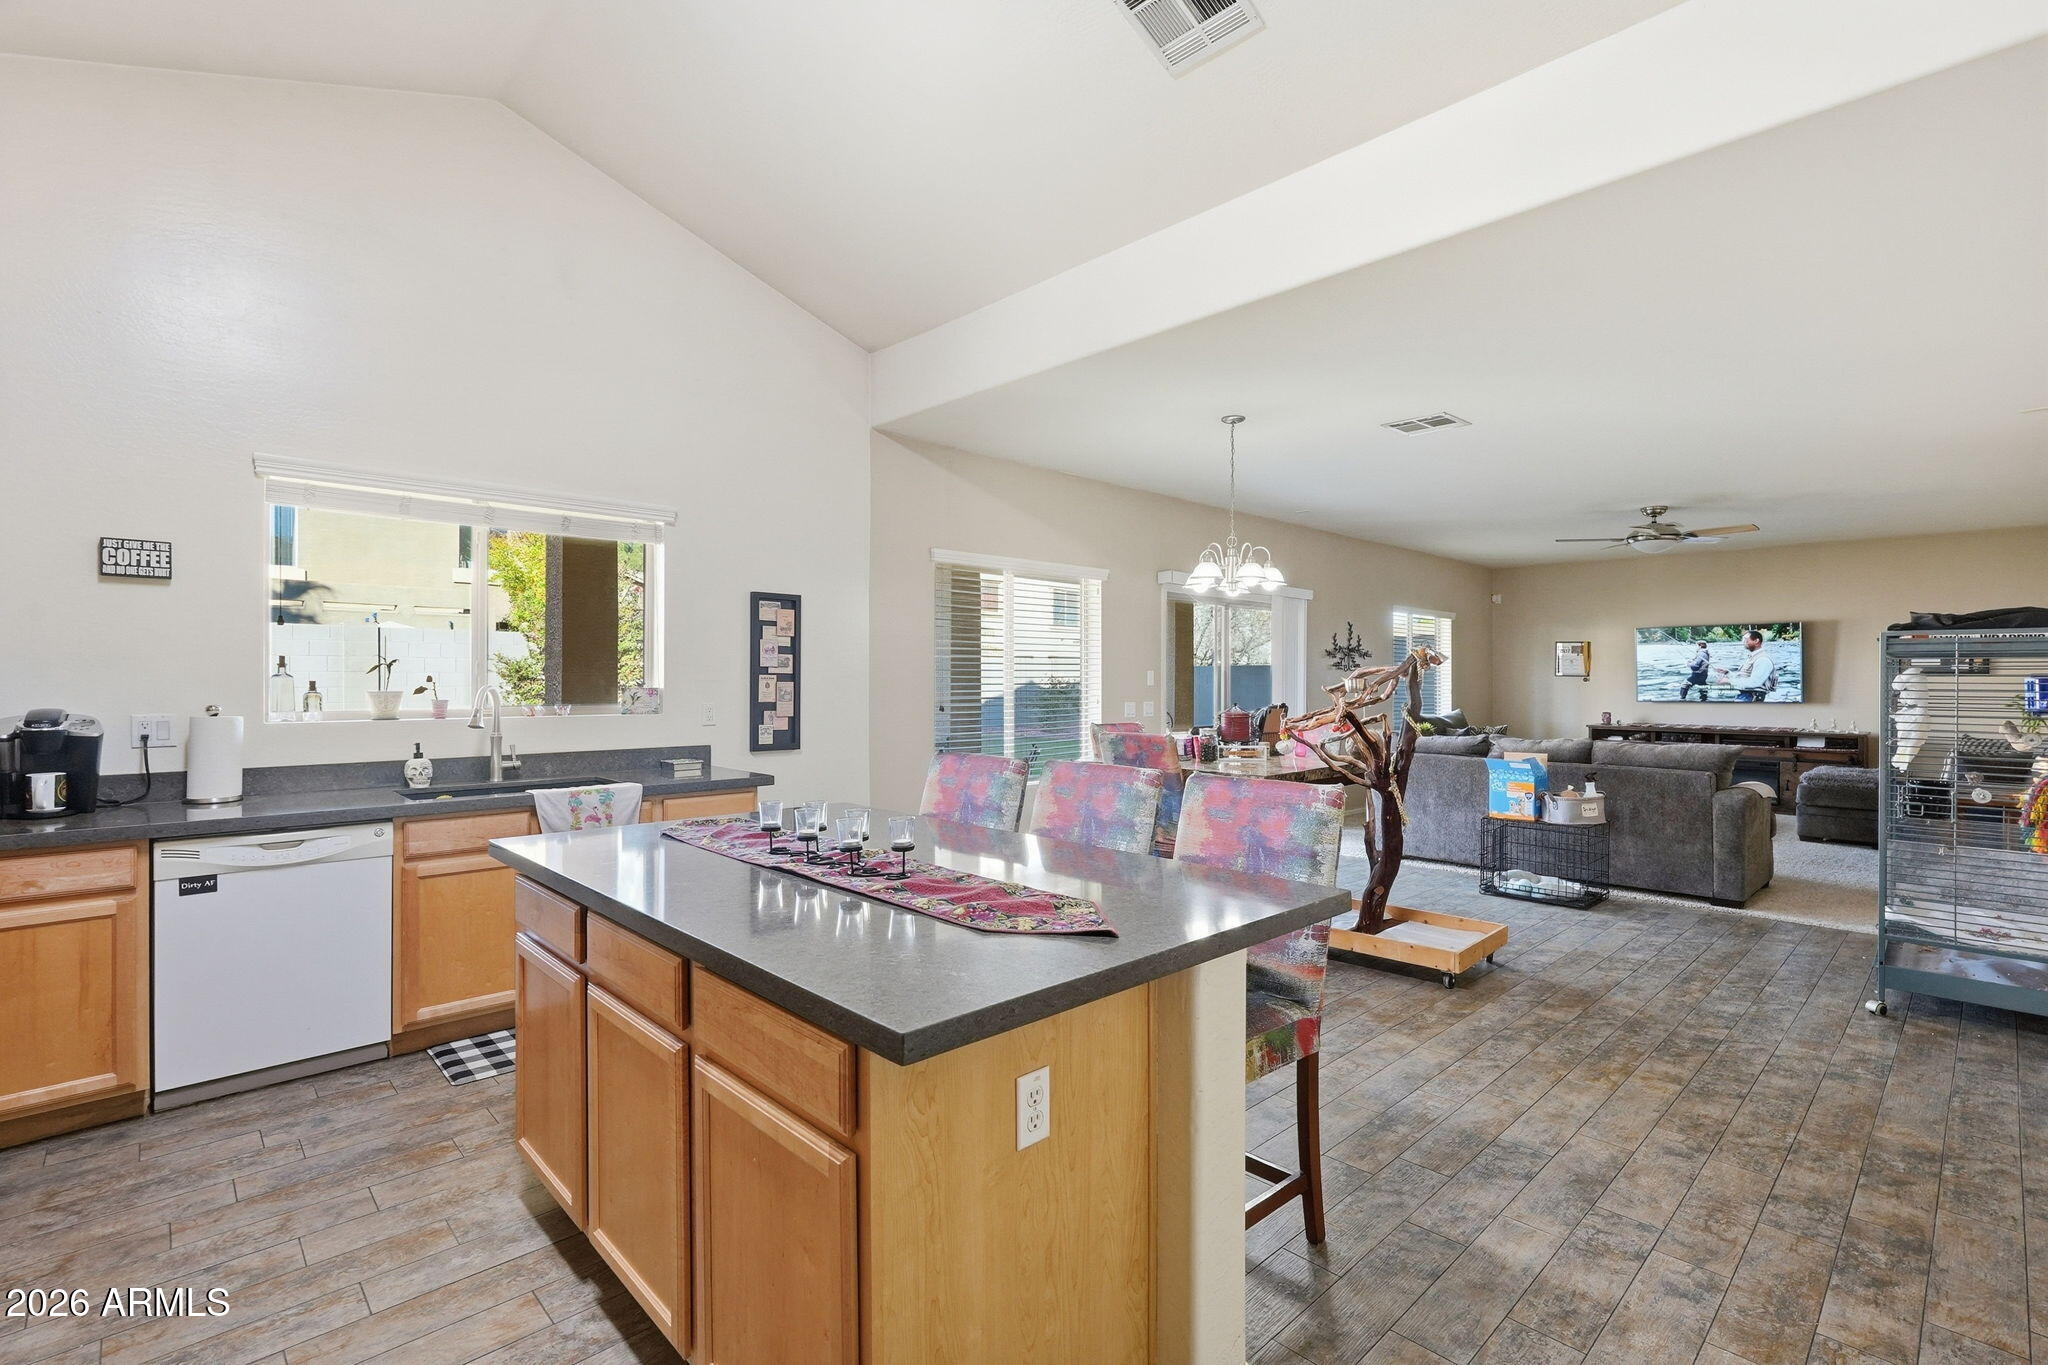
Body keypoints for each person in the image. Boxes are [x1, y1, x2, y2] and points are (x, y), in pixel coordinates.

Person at [1714, 630, 1778, 701]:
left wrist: (1729, 681)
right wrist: (1727, 673)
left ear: (1756, 641)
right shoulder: (1753, 657)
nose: (1743, 642)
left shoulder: (1763, 659)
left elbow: (1754, 682)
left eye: (1746, 639)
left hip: (1754, 698)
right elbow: (1744, 677)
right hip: (1747, 696)